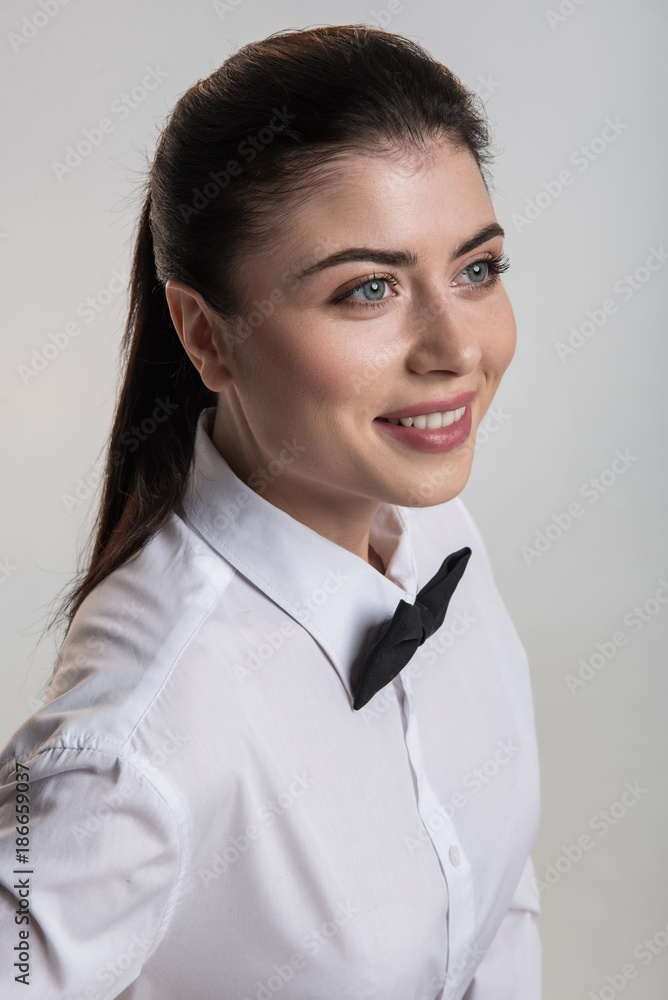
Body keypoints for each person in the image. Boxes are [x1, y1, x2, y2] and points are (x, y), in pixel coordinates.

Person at [0, 23, 542, 1000]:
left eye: (475, 269)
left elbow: (496, 906)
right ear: (206, 336)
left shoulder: (437, 532)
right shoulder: (134, 737)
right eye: (367, 289)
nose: (452, 348)